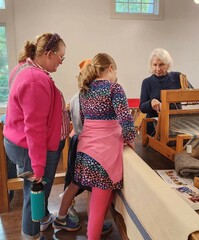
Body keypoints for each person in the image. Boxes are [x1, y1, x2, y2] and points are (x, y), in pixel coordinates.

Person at [53, 53, 136, 239]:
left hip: (85, 152)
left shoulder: (84, 90)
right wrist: (131, 141)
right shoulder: (114, 89)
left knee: (97, 203)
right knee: (99, 210)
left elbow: (82, 122)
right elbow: (126, 121)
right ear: (111, 68)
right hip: (104, 155)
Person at [3, 32, 70, 240]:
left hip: (20, 143)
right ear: (49, 53)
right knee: (35, 195)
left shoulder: (25, 67)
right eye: (61, 56)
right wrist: (38, 166)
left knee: (35, 195)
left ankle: (42, 218)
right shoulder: (34, 80)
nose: (61, 61)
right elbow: (34, 128)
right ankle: (31, 234)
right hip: (29, 147)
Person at [61, 59, 114, 235]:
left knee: (75, 182)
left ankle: (63, 216)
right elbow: (84, 125)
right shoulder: (84, 97)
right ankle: (92, 222)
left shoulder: (79, 96)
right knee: (88, 185)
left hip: (80, 141)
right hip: (87, 143)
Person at [140, 48, 193, 135]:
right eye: (155, 65)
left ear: (168, 65)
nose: (158, 68)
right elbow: (142, 108)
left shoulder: (178, 77)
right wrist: (151, 103)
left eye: (161, 65)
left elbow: (192, 94)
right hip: (154, 128)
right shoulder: (147, 82)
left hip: (176, 126)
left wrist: (190, 97)